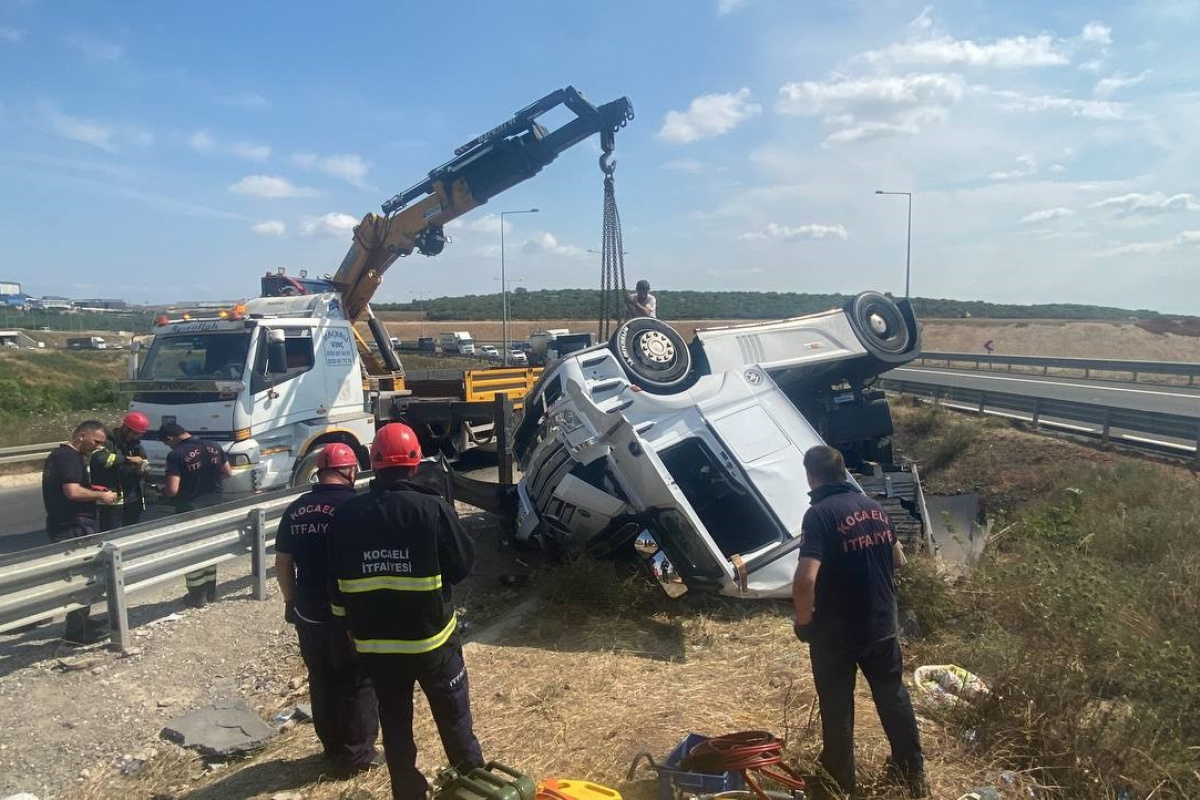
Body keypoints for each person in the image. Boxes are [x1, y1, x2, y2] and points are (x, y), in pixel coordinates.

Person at [327, 423, 484, 800]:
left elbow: (337, 585)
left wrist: (346, 626)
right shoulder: (431, 509)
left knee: (396, 729)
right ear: (415, 462)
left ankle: (409, 793)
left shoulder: (347, 517)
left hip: (378, 651)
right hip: (433, 645)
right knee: (455, 723)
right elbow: (463, 565)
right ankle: (476, 788)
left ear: (373, 464)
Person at [792, 445, 926, 798]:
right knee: (893, 696)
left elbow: (805, 580)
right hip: (882, 624)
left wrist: (804, 623)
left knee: (837, 705)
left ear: (811, 475)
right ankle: (911, 772)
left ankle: (839, 780)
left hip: (837, 632)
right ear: (843, 472)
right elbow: (900, 560)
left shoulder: (818, 514)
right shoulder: (875, 508)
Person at [275, 443, 380, 774]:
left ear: (319, 472)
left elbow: (282, 562)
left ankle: (332, 748)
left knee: (321, 680)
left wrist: (291, 601)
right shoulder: (358, 506)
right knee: (357, 682)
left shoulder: (296, 509)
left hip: (308, 613)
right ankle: (358, 756)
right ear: (349, 471)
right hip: (348, 614)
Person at [42, 420, 118, 644]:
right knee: (80, 578)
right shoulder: (69, 457)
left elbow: (71, 485)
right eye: (96, 442)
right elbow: (72, 492)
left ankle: (82, 622)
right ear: (81, 435)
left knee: (83, 576)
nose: (97, 447)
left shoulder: (62, 456)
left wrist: (93, 489)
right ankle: (76, 632)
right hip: (73, 525)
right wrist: (101, 497)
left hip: (67, 522)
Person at [158, 422, 232, 608]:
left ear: (170, 439)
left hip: (190, 509)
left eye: (168, 444)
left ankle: (197, 596)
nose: (169, 447)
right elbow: (227, 472)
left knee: (191, 551)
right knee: (210, 547)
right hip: (215, 505)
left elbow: (173, 490)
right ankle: (211, 592)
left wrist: (162, 491)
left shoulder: (176, 455)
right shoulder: (213, 446)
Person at [90, 411, 151, 532]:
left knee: (130, 534)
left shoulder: (136, 446)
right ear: (125, 427)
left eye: (138, 434)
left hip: (133, 498)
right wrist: (128, 459)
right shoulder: (107, 442)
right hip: (112, 498)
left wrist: (141, 469)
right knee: (111, 534)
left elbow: (144, 464)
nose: (135, 437)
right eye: (133, 433)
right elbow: (100, 459)